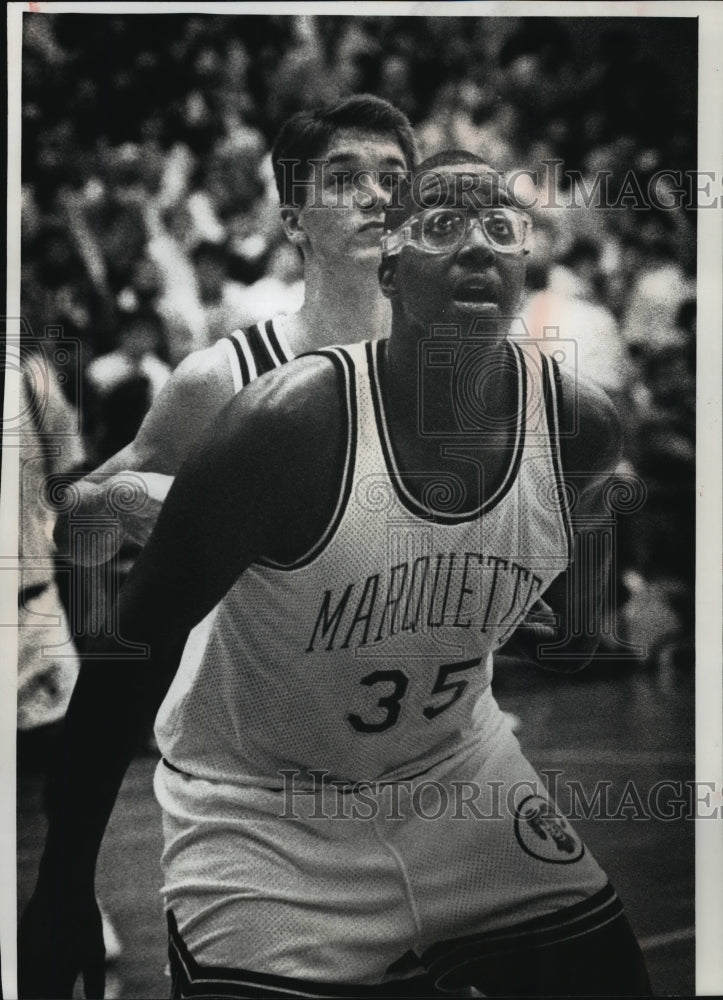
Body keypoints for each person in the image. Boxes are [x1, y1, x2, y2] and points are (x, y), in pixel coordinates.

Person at [20, 153, 651, 998]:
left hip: (457, 780)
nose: (477, 246)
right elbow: (130, 644)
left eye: (501, 228)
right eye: (441, 225)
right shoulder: (281, 421)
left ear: (525, 265)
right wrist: (62, 882)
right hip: (265, 813)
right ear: (387, 263)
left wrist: (470, 602)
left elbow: (511, 568)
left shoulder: (581, 427)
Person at [53, 94, 416, 558]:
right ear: (292, 222)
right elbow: (76, 538)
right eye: (344, 178)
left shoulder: (455, 371)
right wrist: (124, 498)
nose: (376, 196)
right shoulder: (224, 377)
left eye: (392, 180)